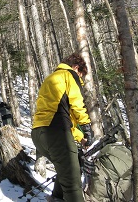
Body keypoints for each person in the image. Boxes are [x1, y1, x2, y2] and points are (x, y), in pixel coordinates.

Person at [31, 53, 93, 202]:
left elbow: (61, 116)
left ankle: (56, 198)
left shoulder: (51, 78)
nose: (80, 79)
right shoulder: (68, 75)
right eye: (81, 74)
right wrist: (86, 126)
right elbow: (77, 103)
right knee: (72, 181)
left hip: (38, 133)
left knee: (69, 167)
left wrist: (80, 137)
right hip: (55, 133)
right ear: (76, 67)